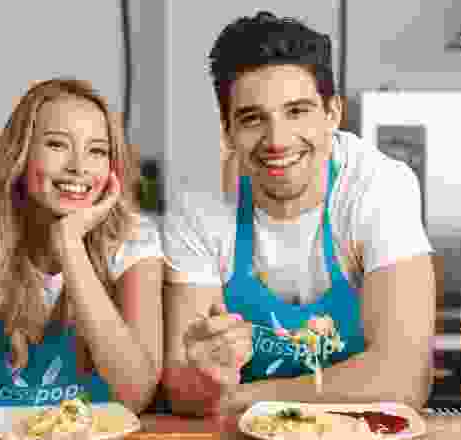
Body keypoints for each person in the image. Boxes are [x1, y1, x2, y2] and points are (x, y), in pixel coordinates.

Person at [161, 11, 436, 418]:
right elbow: (185, 391)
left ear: (333, 113)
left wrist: (241, 397)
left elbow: (404, 380)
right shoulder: (198, 206)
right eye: (253, 119)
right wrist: (206, 376)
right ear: (227, 130)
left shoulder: (378, 187)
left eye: (297, 111)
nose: (277, 140)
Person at [0, 78, 164, 424]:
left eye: (97, 151)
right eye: (58, 145)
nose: (79, 167)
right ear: (21, 153)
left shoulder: (133, 239)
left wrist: (70, 244)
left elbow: (135, 396)